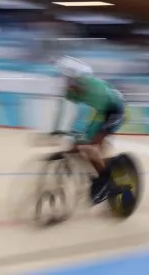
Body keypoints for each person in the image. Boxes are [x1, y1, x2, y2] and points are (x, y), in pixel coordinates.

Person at [50, 56, 126, 203]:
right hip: (100, 111)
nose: (64, 82)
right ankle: (97, 170)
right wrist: (56, 130)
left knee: (90, 147)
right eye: (63, 78)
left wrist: (84, 139)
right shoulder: (72, 90)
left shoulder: (95, 90)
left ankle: (105, 181)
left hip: (114, 111)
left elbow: (92, 118)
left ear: (77, 79)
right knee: (77, 146)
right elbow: (63, 109)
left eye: (67, 78)